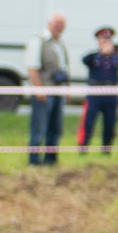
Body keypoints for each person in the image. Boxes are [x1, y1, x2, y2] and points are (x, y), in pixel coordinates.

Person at [26, 13, 70, 166]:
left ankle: (51, 160)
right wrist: (39, 89)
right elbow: (32, 68)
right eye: (56, 22)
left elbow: (63, 68)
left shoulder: (60, 43)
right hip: (44, 91)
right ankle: (34, 160)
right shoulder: (39, 40)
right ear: (49, 23)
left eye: (61, 23)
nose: (59, 26)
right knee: (39, 127)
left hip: (58, 91)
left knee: (55, 128)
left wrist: (67, 88)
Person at [80, 27, 118, 154]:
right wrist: (103, 53)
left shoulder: (116, 58)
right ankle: (83, 147)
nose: (106, 41)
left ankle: (106, 149)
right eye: (103, 39)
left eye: (108, 39)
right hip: (95, 93)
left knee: (110, 123)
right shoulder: (94, 56)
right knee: (88, 122)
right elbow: (85, 60)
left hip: (111, 93)